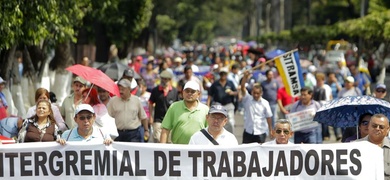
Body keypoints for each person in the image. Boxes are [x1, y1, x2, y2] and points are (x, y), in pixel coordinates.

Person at [240, 71, 272, 144]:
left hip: (260, 132)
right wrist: (245, 77)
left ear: (261, 93)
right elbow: (242, 88)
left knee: (258, 153)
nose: (256, 95)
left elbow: (269, 117)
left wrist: (270, 130)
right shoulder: (247, 99)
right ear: (251, 92)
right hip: (248, 130)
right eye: (254, 93)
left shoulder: (265, 103)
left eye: (258, 93)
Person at [355, 114, 390, 178]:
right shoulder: (354, 146)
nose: (377, 129)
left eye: (381, 127)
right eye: (374, 126)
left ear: (387, 129)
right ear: (369, 127)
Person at [149, 70, 179, 143]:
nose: (164, 81)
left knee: (169, 141)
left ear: (170, 80)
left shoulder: (174, 91)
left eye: (166, 79)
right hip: (158, 119)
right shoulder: (155, 90)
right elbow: (150, 103)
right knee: (157, 139)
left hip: (171, 120)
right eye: (162, 78)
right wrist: (151, 117)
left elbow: (178, 105)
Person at [207, 67, 238, 133]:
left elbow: (236, 92)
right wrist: (208, 105)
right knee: (217, 122)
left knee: (231, 122)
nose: (223, 75)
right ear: (219, 74)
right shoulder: (215, 84)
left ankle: (231, 137)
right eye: (222, 74)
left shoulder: (230, 83)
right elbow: (209, 95)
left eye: (224, 74)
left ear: (227, 74)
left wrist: (232, 93)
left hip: (229, 105)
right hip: (218, 105)